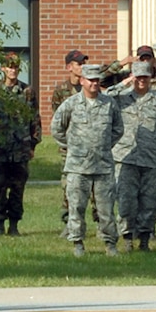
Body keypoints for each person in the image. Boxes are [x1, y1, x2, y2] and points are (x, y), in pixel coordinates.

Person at [51, 62, 121, 255]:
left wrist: (103, 146)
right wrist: (73, 146)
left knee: (105, 209)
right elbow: (56, 128)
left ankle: (110, 244)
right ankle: (78, 243)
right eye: (90, 80)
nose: (94, 84)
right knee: (77, 208)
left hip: (103, 166)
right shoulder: (71, 104)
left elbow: (118, 129)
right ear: (82, 81)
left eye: (97, 81)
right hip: (77, 167)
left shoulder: (109, 104)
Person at [109, 61, 156, 250]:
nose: (141, 81)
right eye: (137, 77)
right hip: (125, 157)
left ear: (150, 79)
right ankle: (128, 237)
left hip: (151, 159)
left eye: (144, 78)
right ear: (132, 78)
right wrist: (124, 82)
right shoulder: (121, 98)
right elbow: (105, 95)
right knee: (125, 200)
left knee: (149, 201)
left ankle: (145, 239)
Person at [0, 53, 38, 236]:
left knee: (17, 188)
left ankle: (14, 226)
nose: (13, 70)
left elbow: (34, 119)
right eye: (9, 67)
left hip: (20, 148)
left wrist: (33, 145)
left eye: (16, 67)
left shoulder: (27, 91)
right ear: (3, 68)